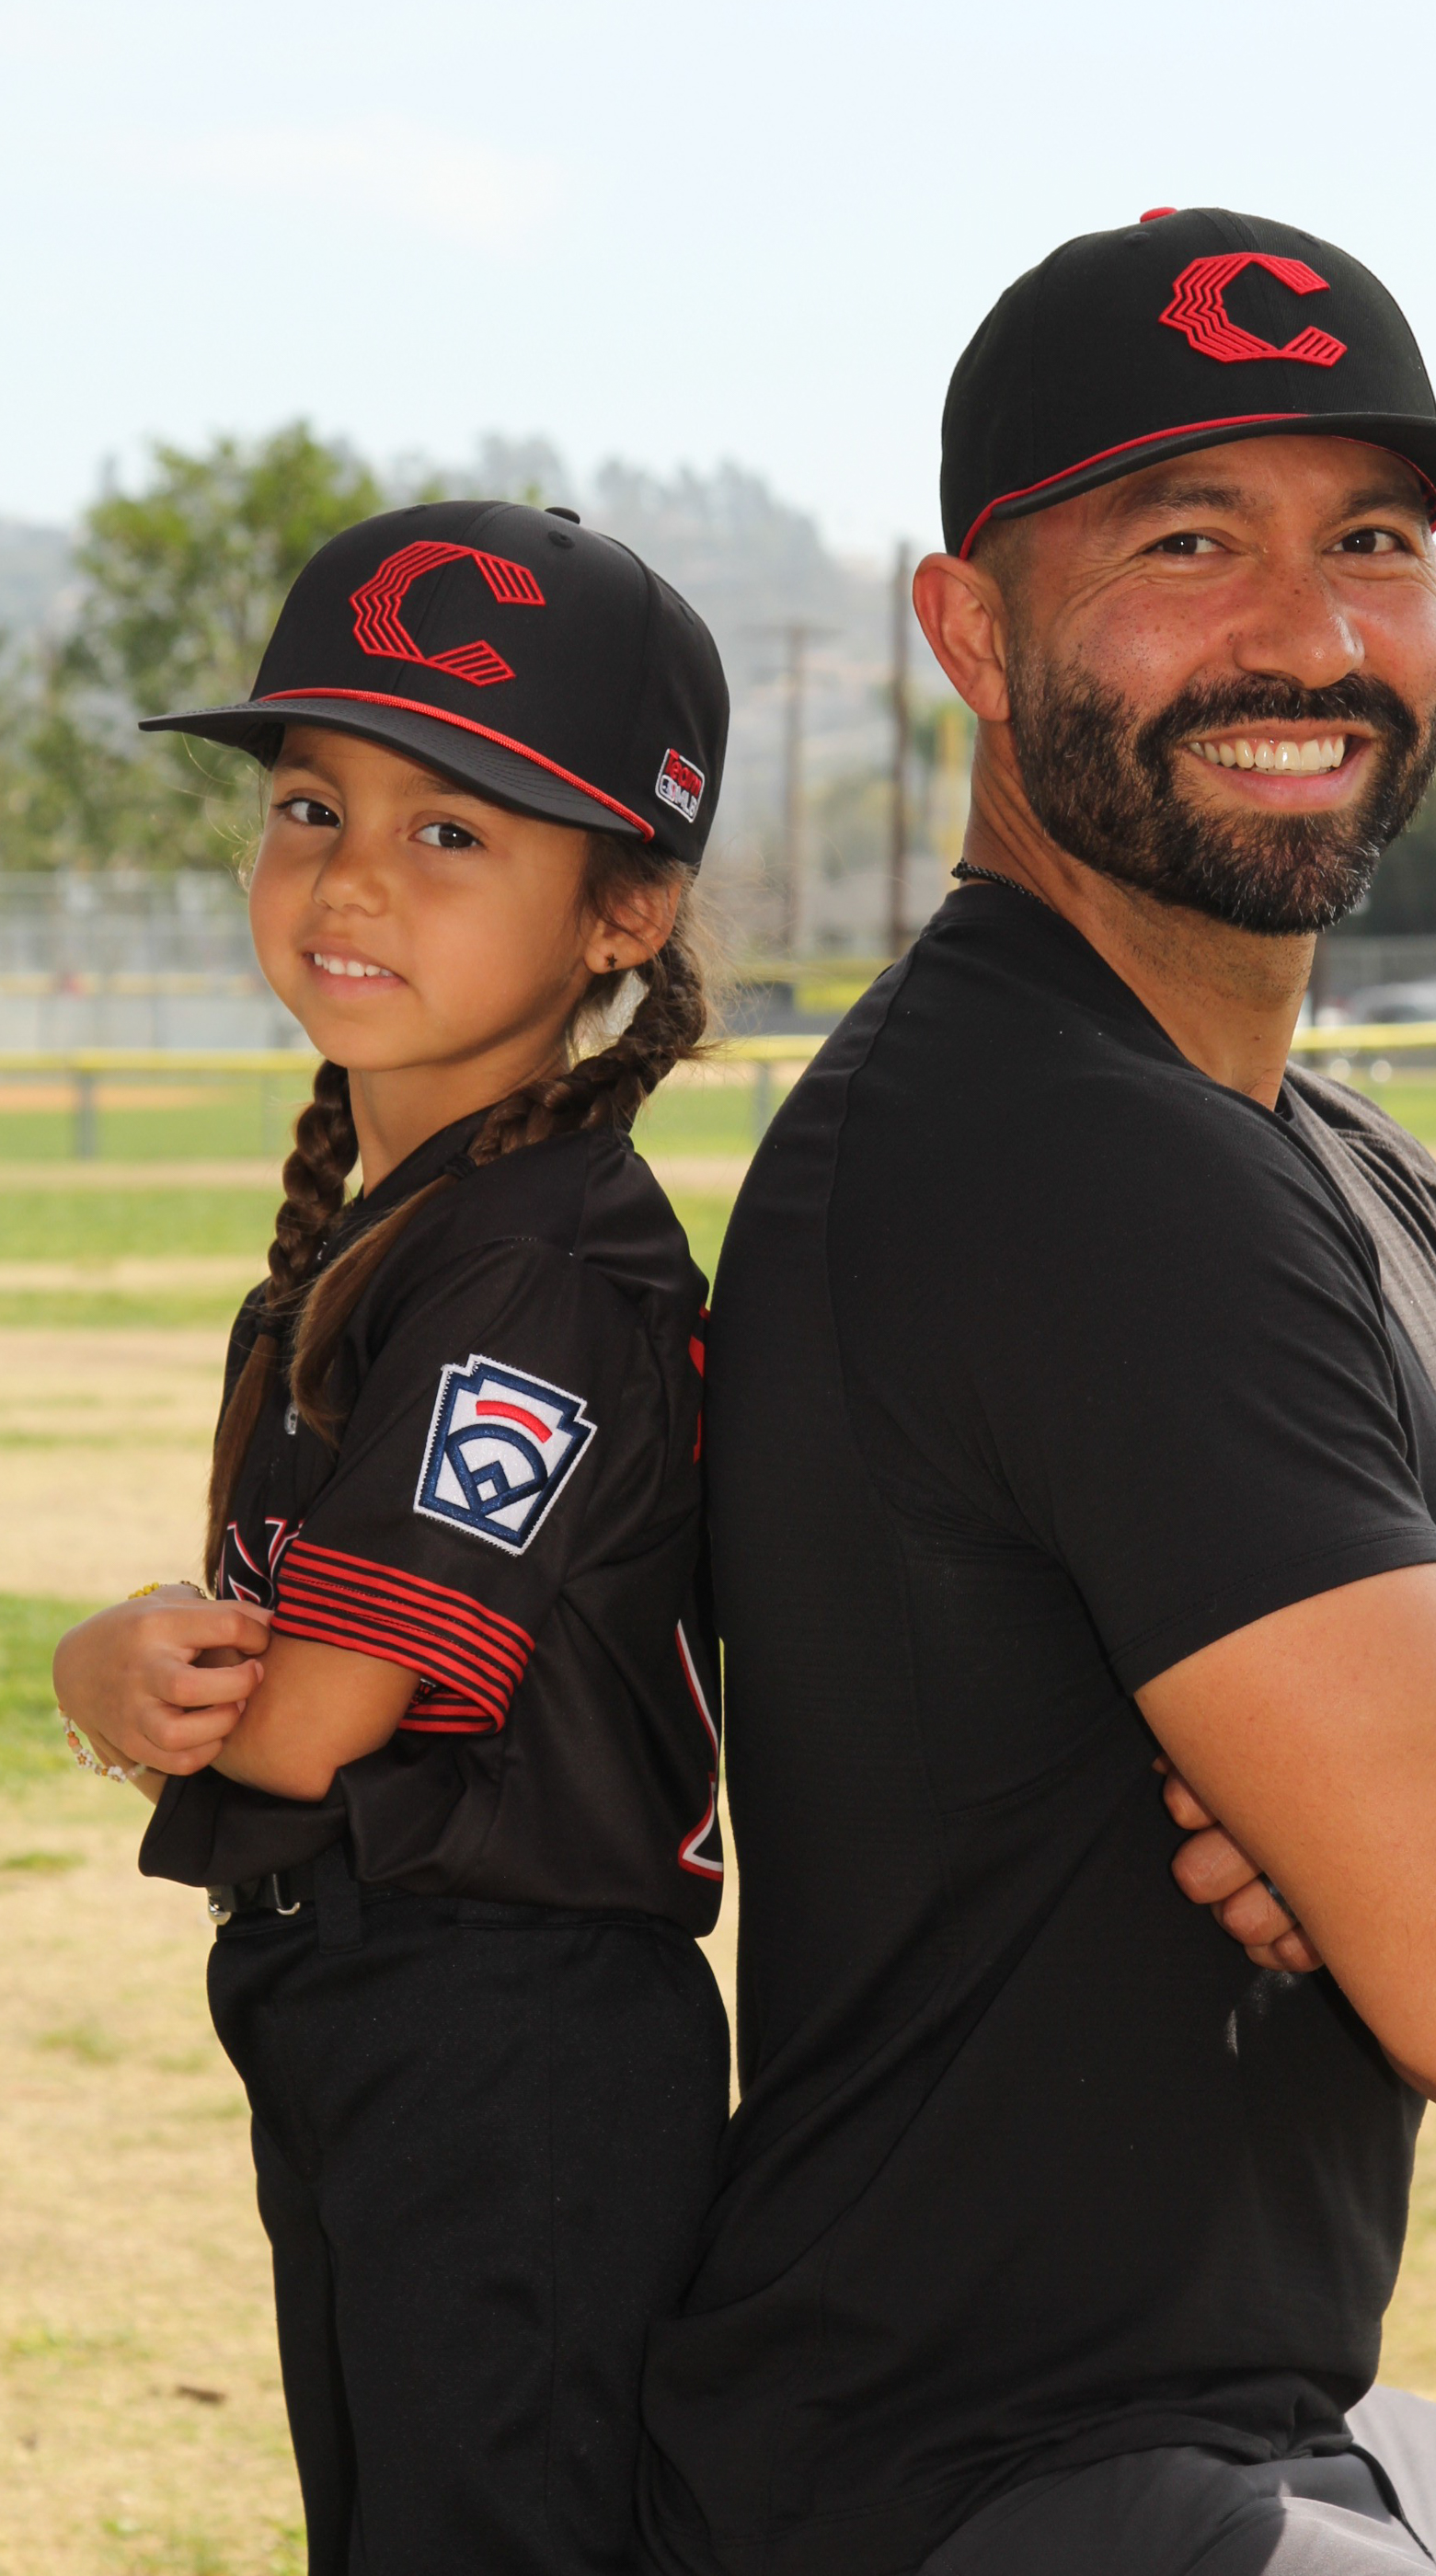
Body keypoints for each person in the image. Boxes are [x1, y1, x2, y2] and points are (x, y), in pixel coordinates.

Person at [638, 211, 1436, 2575]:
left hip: (1230, 2422)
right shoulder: (1061, 1155)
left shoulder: (1332, 1169)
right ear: (971, 632)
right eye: (1187, 544)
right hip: (971, 2491)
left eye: (1373, 542)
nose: (1310, 635)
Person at [52, 500, 732, 2576]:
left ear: (625, 908)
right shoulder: (431, 1218)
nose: (349, 874)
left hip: (510, 2035)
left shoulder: (539, 1265)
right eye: (310, 804)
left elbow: (309, 1717)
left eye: (454, 830)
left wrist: (111, 1674)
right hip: (396, 2004)